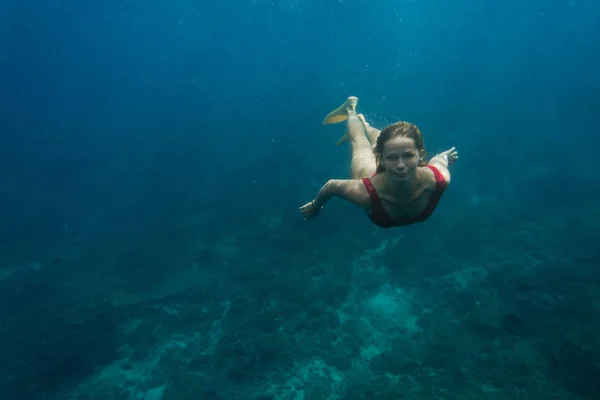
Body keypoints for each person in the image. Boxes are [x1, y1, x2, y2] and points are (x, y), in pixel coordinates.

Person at [299, 96, 458, 228]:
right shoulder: (364, 193)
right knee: (359, 141)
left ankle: (367, 125)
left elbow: (438, 161)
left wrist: (443, 156)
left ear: (420, 154)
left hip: (387, 160)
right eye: (391, 158)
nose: (401, 165)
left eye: (408, 156)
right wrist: (316, 205)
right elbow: (331, 186)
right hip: (369, 172)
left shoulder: (439, 180)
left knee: (383, 140)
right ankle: (350, 110)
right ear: (379, 158)